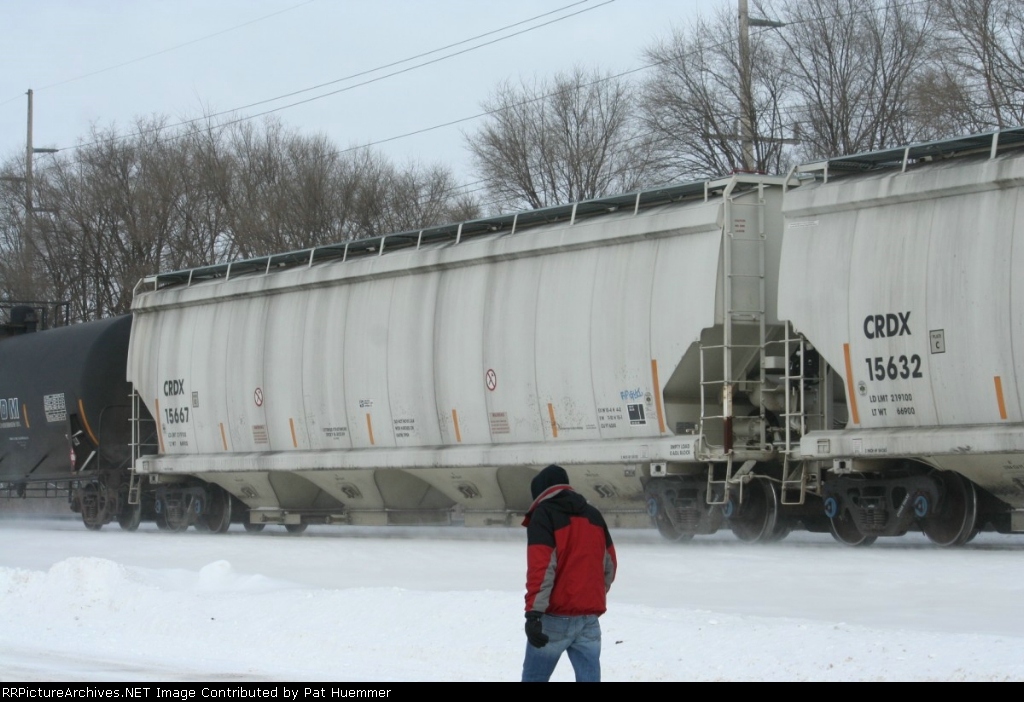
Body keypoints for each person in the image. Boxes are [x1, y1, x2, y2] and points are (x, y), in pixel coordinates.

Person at [521, 464, 617, 682]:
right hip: (588, 620)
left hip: (554, 618)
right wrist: (590, 596)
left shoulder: (544, 514)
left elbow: (541, 568)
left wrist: (533, 614)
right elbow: (609, 565)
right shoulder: (593, 514)